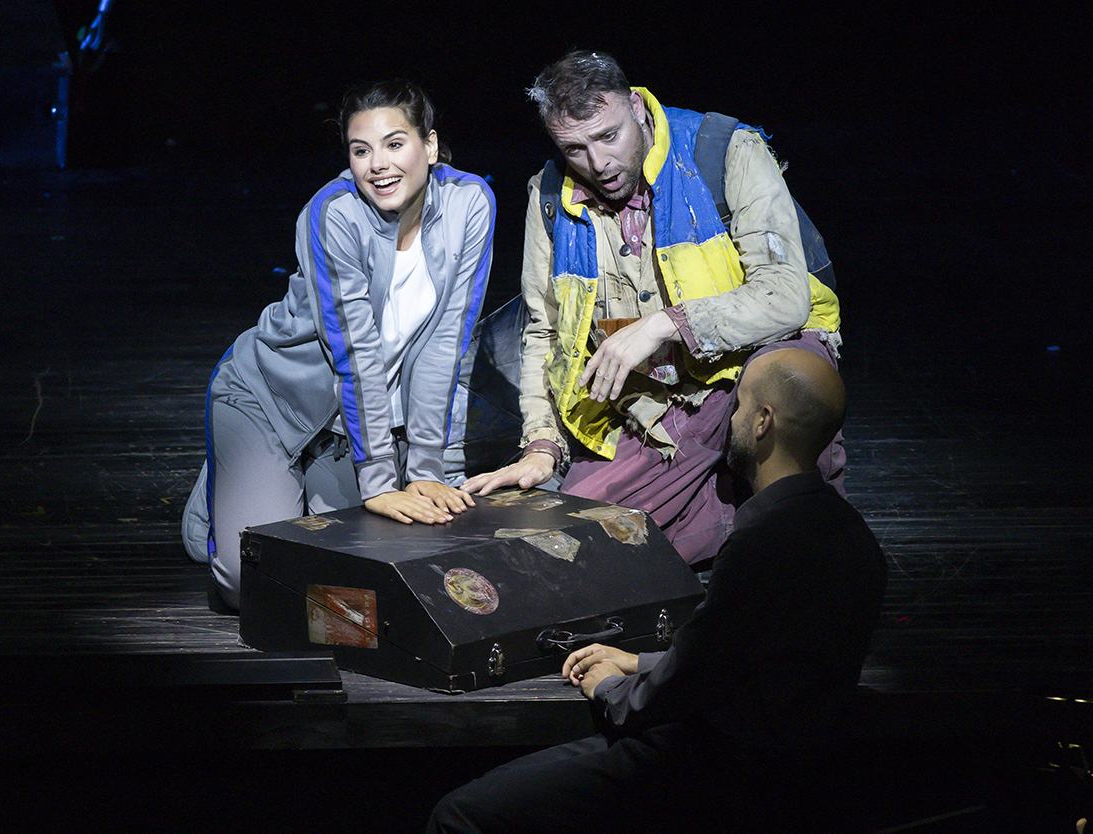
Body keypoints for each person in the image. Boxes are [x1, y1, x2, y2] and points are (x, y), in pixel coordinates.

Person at [426, 348, 888, 833]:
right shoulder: (854, 537)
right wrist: (640, 661)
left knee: (460, 814)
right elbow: (762, 664)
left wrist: (608, 685)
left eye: (739, 405)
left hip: (714, 768)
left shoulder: (761, 543)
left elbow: (683, 688)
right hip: (788, 771)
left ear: (762, 422)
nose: (729, 418)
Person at [461, 51, 844, 566]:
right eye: (575, 148)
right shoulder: (550, 195)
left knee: (789, 381)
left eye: (608, 136)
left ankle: (809, 541)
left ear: (639, 110)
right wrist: (542, 444)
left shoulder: (722, 150)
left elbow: (785, 295)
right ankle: (725, 528)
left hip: (750, 368)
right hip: (661, 405)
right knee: (570, 540)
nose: (598, 163)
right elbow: (544, 333)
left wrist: (666, 324)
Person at [180, 80, 496, 610]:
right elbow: (357, 356)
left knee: (385, 568)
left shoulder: (470, 204)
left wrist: (424, 471)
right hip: (271, 402)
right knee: (251, 584)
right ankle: (221, 487)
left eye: (395, 143)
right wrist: (378, 482)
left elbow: (447, 343)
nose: (378, 164)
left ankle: (301, 480)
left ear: (432, 146)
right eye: (360, 150)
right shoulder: (334, 213)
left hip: (346, 429)